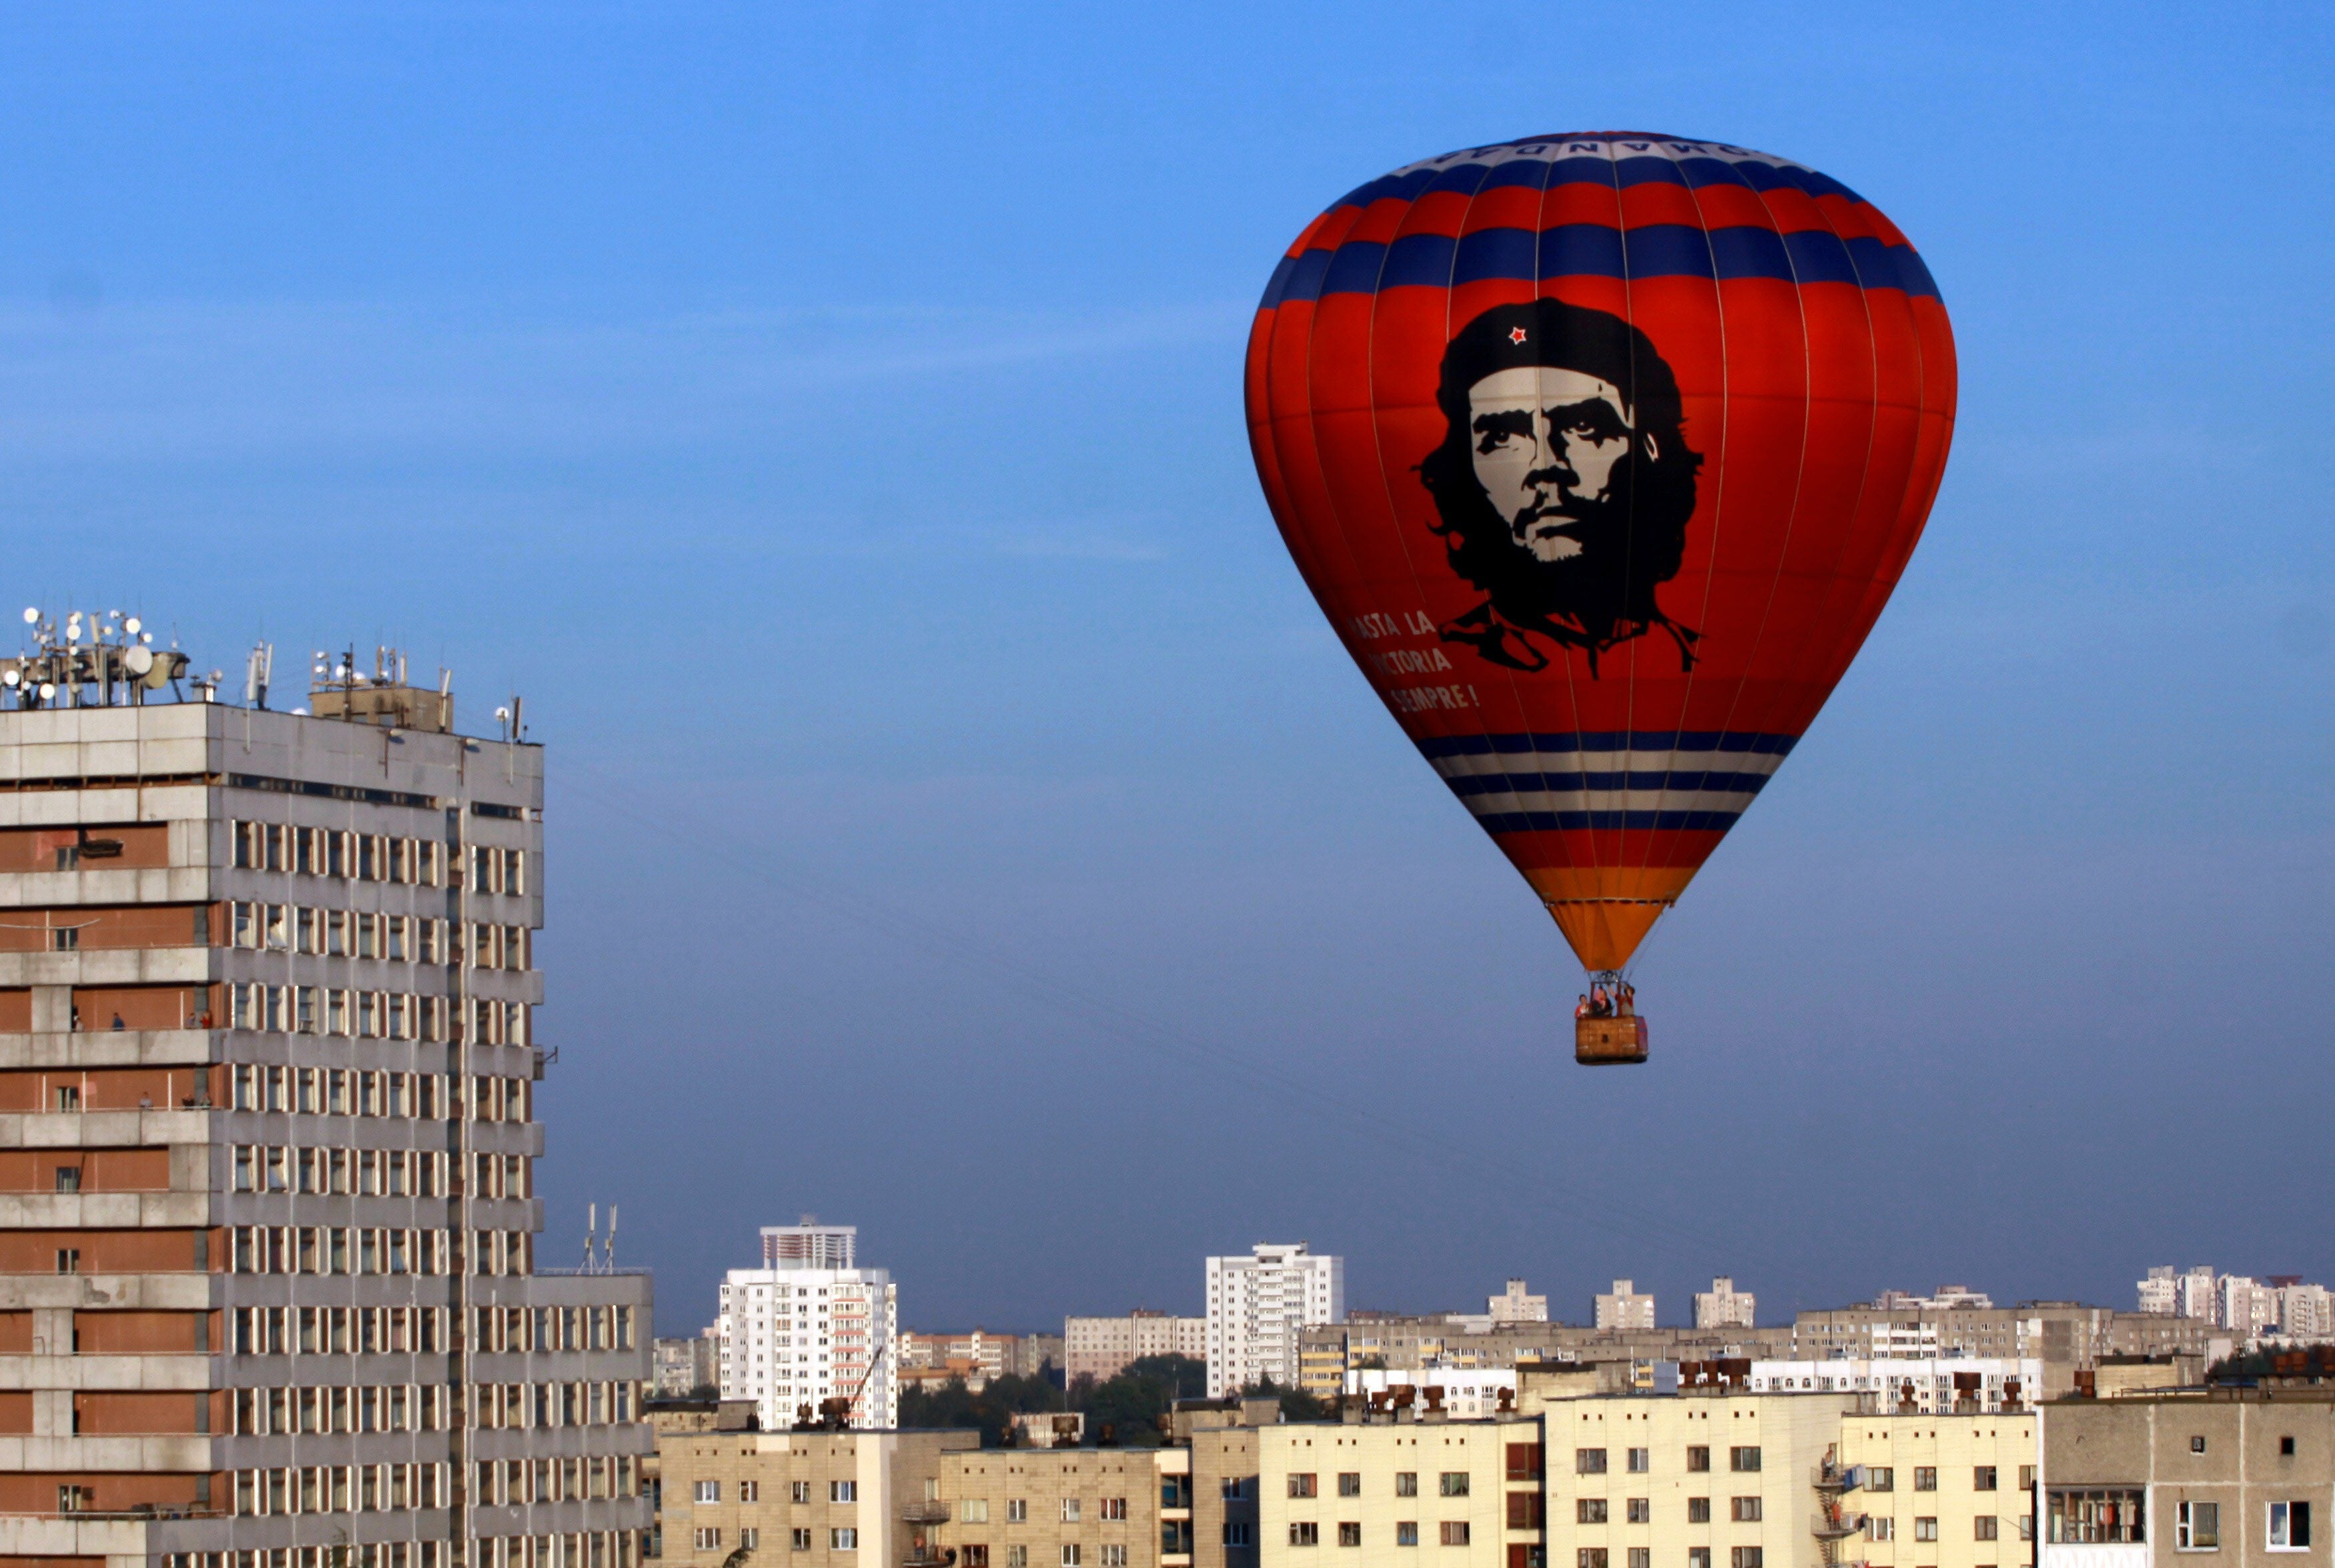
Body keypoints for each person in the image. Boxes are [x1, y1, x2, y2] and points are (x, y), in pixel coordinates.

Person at [1416, 297, 1705, 676]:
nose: (1546, 466)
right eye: (1502, 436)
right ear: (1462, 467)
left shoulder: (1709, 660)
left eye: (1584, 428)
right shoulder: (1454, 657)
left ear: (1651, 448)